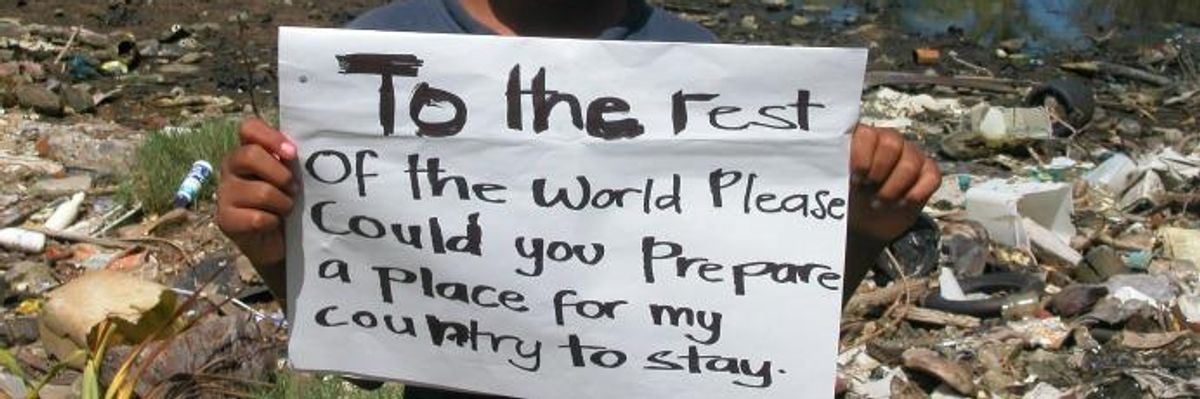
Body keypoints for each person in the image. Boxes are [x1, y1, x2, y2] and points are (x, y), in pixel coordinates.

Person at [217, 1, 942, 397]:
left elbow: (752, 333)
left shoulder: (701, 64)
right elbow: (362, 355)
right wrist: (270, 245)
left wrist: (861, 229)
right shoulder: (380, 52)